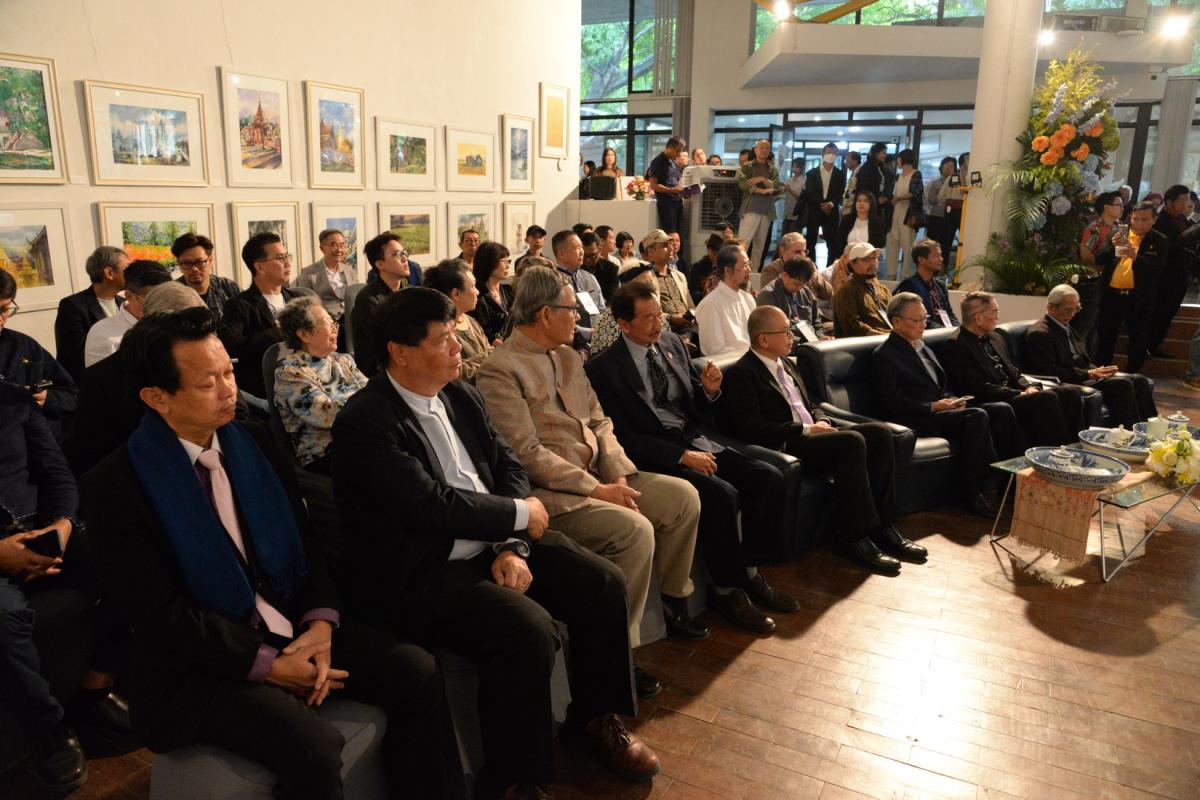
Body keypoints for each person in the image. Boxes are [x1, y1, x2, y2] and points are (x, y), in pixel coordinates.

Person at [80, 309, 460, 800]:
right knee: (314, 746)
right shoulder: (116, 484)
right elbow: (159, 614)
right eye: (207, 383)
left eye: (229, 373)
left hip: (288, 622)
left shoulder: (252, 441)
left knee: (416, 671)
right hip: (200, 661)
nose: (228, 390)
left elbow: (306, 542)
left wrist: (320, 623)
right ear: (157, 397)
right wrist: (268, 665)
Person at [330, 288, 659, 797]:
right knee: (526, 630)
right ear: (400, 351)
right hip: (425, 569)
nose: (458, 347)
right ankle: (514, 778)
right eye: (444, 339)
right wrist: (519, 515)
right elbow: (431, 506)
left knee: (602, 583)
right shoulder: (365, 421)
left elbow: (509, 467)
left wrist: (511, 543)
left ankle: (596, 718)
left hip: (492, 541)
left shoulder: (460, 393)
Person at [475, 267, 704, 695]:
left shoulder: (567, 356)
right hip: (558, 495)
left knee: (682, 497)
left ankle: (673, 600)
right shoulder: (500, 370)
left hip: (602, 473)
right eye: (571, 308)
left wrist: (617, 473)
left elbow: (600, 420)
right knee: (634, 531)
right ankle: (620, 652)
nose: (579, 316)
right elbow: (526, 453)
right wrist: (598, 489)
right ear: (545, 314)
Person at [587, 282, 800, 633]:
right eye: (648, 318)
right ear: (623, 324)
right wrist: (681, 456)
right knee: (721, 495)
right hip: (655, 452)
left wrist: (710, 391)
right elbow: (622, 437)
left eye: (659, 314)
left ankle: (750, 571)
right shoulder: (604, 369)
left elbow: (693, 407)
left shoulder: (671, 344)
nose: (659, 323)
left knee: (767, 477)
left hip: (693, 438)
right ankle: (727, 591)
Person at [719, 306, 925, 573]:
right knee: (852, 442)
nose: (792, 336)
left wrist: (823, 421)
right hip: (787, 443)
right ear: (763, 339)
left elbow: (810, 404)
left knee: (880, 434)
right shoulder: (742, 373)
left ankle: (884, 526)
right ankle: (853, 536)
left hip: (813, 433)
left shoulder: (787, 363)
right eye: (785, 331)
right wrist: (805, 429)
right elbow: (750, 427)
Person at [0, 381, 88, 794]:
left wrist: (62, 525)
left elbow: (57, 473)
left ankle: (97, 687)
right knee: (2, 618)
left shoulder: (12, 399)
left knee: (130, 554)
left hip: (42, 531)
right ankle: (48, 728)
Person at [872, 293, 1005, 516]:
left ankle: (1004, 478)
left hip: (940, 411)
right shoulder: (884, 355)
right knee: (976, 417)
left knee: (999, 409)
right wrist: (933, 406)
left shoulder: (922, 347)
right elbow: (891, 402)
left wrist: (952, 400)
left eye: (925, 318)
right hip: (916, 418)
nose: (924, 324)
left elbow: (941, 384)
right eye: (917, 320)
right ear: (896, 322)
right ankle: (973, 490)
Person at [63, 283, 207, 478]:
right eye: (190, 330)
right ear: (159, 326)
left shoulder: (204, 362)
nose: (200, 338)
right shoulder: (107, 377)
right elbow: (91, 451)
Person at [940, 291, 1082, 449]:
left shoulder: (996, 337)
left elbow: (1014, 370)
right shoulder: (955, 345)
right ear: (978, 317)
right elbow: (976, 387)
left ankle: (1075, 447)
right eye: (994, 312)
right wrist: (1018, 393)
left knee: (1070, 392)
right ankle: (1058, 451)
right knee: (1045, 398)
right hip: (993, 398)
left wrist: (1028, 387)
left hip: (1015, 393)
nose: (998, 317)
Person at [1022, 284, 1157, 428]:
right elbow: (1048, 370)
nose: (1072, 314)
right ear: (1051, 307)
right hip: (1071, 381)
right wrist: (1088, 374)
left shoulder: (1066, 327)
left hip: (1085, 375)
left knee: (1139, 380)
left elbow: (1083, 359)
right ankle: (1128, 431)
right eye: (1068, 309)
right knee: (1121, 384)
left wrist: (1100, 372)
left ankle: (1152, 428)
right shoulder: (1040, 333)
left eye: (1076, 309)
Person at [274, 296, 366, 474]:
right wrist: (370, 408)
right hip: (326, 453)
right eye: (328, 324)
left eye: (334, 324)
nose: (335, 329)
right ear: (304, 334)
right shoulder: (290, 373)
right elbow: (328, 414)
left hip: (363, 439)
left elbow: (373, 394)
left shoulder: (343, 360)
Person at [218, 232, 314, 402]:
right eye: (280, 258)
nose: (287, 263)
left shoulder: (298, 299)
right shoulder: (240, 305)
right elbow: (230, 347)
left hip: (309, 379)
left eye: (287, 256)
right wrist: (277, 332)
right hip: (266, 387)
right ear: (260, 267)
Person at [0, 270, 78, 441]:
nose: (1, 319)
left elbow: (71, 395)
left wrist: (46, 399)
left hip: (37, 444)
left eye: (5, 309)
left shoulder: (25, 346)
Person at [1093, 201, 1169, 374]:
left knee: (1137, 338)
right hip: (1111, 295)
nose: (1139, 223)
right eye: (1136, 219)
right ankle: (1101, 373)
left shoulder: (1159, 240)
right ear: (1131, 218)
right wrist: (1112, 246)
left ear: (1154, 220)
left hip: (1138, 297)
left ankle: (1132, 375)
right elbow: (1099, 259)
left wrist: (1136, 256)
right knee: (1105, 336)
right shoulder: (1118, 233)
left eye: (1145, 219)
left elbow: (1157, 269)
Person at [54, 246, 127, 382]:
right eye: (127, 269)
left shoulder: (124, 303)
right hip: (90, 383)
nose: (131, 274)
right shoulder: (72, 305)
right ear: (109, 273)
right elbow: (75, 355)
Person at [83, 259, 172, 367]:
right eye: (153, 299)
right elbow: (99, 377)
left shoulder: (172, 322)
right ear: (129, 295)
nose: (161, 305)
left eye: (165, 298)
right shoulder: (103, 334)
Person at [350, 232, 411, 377]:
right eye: (397, 254)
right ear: (380, 264)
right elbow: (385, 340)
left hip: (406, 361)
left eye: (404, 253)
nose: (405, 259)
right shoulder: (368, 299)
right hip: (380, 371)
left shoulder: (410, 293)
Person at [1146, 184, 1196, 359]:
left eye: (1187, 201)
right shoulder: (1160, 221)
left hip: (1181, 274)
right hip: (1165, 276)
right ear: (1169, 202)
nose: (1185, 205)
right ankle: (1148, 345)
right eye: (1181, 201)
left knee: (1169, 312)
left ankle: (1155, 344)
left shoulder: (1185, 221)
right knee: (1159, 311)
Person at [1074, 191, 1126, 354]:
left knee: (1104, 325)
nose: (1122, 208)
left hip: (1114, 282)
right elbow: (1086, 256)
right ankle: (1081, 356)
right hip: (1095, 282)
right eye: (1119, 205)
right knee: (1087, 323)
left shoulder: (1121, 228)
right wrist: (1104, 259)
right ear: (1106, 207)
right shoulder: (1094, 229)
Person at [424, 259, 492, 382]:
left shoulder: (471, 320)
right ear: (456, 294)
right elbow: (458, 372)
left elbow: (490, 354)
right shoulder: (440, 330)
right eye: (473, 286)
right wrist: (490, 361)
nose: (477, 292)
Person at [694, 244, 757, 357]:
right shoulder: (711, 304)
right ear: (727, 270)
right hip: (731, 364)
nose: (749, 270)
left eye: (748, 264)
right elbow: (714, 351)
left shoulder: (748, 298)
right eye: (744, 265)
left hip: (753, 359)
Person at [590, 263, 665, 357]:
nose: (658, 325)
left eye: (651, 282)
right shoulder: (612, 319)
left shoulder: (658, 315)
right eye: (645, 286)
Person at [295, 228, 359, 336]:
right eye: (334, 245)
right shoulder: (309, 273)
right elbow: (304, 305)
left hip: (350, 323)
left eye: (342, 245)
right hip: (323, 326)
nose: (339, 250)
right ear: (322, 248)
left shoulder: (350, 271)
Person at [172, 233, 241, 324]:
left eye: (199, 262)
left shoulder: (228, 287)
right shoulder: (172, 293)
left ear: (210, 261)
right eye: (187, 263)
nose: (194, 269)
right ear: (179, 264)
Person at [736, 139, 783, 269]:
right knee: (743, 243)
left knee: (760, 245)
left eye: (767, 148)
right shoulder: (747, 166)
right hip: (750, 209)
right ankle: (739, 269)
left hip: (767, 211)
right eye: (761, 147)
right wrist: (762, 191)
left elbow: (776, 185)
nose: (764, 150)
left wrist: (761, 179)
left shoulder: (772, 168)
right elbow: (743, 184)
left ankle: (754, 272)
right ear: (755, 149)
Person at [642, 229, 695, 339]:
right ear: (651, 252)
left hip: (689, 328)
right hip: (665, 330)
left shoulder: (679, 276)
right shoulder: (646, 278)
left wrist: (692, 315)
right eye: (665, 246)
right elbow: (647, 312)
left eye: (670, 244)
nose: (671, 248)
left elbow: (691, 306)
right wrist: (671, 318)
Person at [894, 240, 958, 329]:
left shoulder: (940, 285)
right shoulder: (909, 286)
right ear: (922, 260)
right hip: (925, 333)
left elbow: (950, 314)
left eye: (940, 255)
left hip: (945, 332)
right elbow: (915, 318)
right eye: (936, 256)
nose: (941, 259)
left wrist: (957, 329)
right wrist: (943, 330)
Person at [834, 242, 892, 337]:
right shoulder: (847, 291)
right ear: (853, 264)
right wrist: (884, 336)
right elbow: (853, 326)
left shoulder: (883, 290)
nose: (873, 263)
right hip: (867, 343)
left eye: (874, 258)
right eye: (866, 259)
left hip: (888, 337)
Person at [551, 229, 606, 331]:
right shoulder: (551, 280)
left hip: (595, 335)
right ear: (561, 254)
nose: (582, 252)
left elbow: (601, 310)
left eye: (581, 247)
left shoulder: (590, 278)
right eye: (577, 248)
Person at [802, 143, 846, 266]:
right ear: (823, 154)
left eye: (834, 152)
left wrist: (831, 204)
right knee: (811, 241)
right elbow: (810, 192)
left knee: (832, 242)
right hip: (814, 211)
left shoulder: (840, 174)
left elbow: (840, 192)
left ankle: (830, 268)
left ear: (837, 155)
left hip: (831, 212)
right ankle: (811, 267)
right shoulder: (811, 173)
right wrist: (823, 204)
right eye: (828, 152)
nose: (831, 155)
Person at [757, 256, 823, 336]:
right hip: (786, 340)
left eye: (803, 284)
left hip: (810, 338)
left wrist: (821, 336)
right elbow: (774, 330)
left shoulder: (805, 291)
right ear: (784, 275)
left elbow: (816, 321)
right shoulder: (768, 295)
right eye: (796, 284)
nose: (799, 289)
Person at [884, 149, 924, 280]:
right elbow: (891, 192)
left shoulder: (916, 174)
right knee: (891, 243)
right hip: (894, 214)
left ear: (904, 159)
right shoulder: (897, 176)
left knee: (907, 246)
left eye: (899, 159)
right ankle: (891, 274)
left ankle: (905, 276)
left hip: (908, 215)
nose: (897, 162)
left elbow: (916, 193)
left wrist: (900, 198)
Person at [469, 241, 514, 344]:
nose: (508, 265)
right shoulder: (477, 295)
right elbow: (480, 329)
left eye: (509, 261)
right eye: (504, 261)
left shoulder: (508, 291)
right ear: (489, 263)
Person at [831, 189, 887, 269]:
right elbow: (838, 242)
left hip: (867, 263)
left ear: (871, 204)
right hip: (846, 262)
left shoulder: (877, 223)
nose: (861, 203)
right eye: (859, 201)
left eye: (866, 201)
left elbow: (879, 245)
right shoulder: (847, 220)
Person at [646, 136, 687, 234]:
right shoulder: (657, 162)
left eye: (680, 151)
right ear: (670, 147)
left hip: (677, 202)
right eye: (678, 151)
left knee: (680, 234)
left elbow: (676, 183)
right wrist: (672, 191)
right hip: (666, 204)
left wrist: (684, 191)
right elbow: (653, 185)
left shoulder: (674, 162)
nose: (679, 154)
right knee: (671, 234)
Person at [936, 153, 969, 260]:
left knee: (946, 240)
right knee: (965, 239)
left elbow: (941, 197)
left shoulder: (951, 177)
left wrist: (945, 206)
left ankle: (943, 265)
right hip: (963, 211)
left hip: (950, 211)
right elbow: (963, 192)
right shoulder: (970, 177)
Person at [855, 144, 893, 225]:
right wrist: (875, 199)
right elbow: (864, 188)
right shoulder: (867, 167)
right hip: (870, 203)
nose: (885, 155)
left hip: (880, 203)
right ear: (876, 153)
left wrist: (884, 196)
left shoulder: (880, 166)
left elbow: (885, 184)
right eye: (883, 153)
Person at [924, 157, 956, 250]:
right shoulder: (936, 183)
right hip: (936, 217)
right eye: (946, 166)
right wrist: (942, 195)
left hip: (950, 217)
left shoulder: (955, 183)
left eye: (951, 166)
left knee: (946, 245)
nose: (948, 168)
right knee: (932, 244)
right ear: (941, 167)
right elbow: (931, 200)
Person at [581, 231, 619, 303]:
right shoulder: (576, 268)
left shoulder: (611, 269)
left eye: (592, 255)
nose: (588, 260)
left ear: (600, 247)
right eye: (584, 256)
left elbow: (612, 298)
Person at [688, 233, 723, 302]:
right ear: (708, 250)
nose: (716, 257)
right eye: (714, 254)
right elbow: (692, 292)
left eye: (719, 254)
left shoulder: (724, 267)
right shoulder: (698, 267)